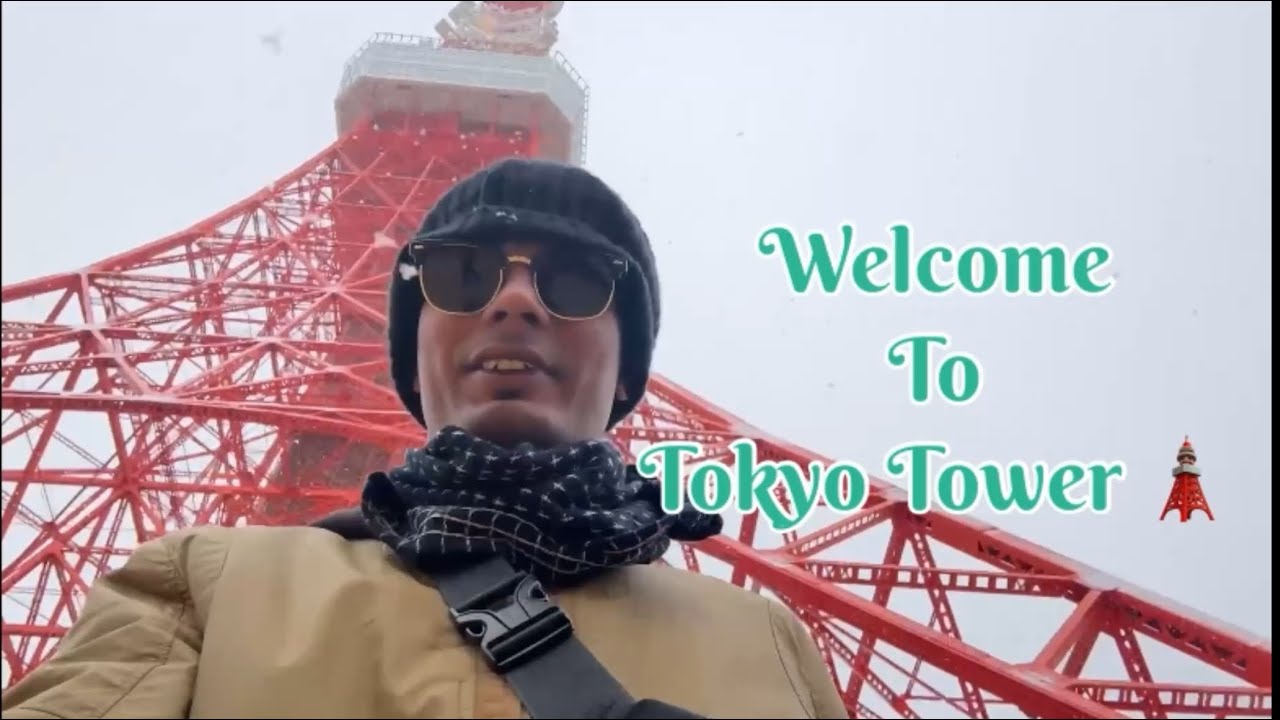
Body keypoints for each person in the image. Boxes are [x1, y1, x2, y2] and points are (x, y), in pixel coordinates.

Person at [1, 158, 849, 719]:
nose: (514, 301)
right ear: (413, 354)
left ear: (628, 372)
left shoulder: (768, 642)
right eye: (461, 274)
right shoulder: (208, 583)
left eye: (576, 281)